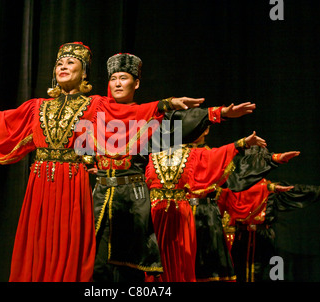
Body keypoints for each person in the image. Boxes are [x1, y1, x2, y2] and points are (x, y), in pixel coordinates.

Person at [0, 42, 204, 282]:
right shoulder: (37, 106)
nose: (63, 66)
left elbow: (128, 114)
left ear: (83, 73)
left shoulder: (95, 105)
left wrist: (165, 104)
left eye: (71, 62)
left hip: (72, 181)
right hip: (40, 182)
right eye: (59, 62)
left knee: (70, 245)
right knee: (37, 242)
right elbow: (4, 120)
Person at [92, 53, 258, 282]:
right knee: (97, 267)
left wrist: (220, 113)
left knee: (130, 268)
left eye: (123, 77)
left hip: (132, 200)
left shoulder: (150, 119)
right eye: (113, 78)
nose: (117, 83)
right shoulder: (97, 112)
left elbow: (178, 125)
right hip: (100, 199)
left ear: (136, 83)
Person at [145, 124, 268, 282]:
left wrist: (244, 145)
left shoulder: (200, 155)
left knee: (194, 263)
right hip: (160, 215)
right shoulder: (152, 156)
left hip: (200, 215)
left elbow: (234, 176)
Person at [191, 127, 300, 282]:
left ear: (207, 130)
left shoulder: (213, 155)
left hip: (208, 218)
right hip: (180, 214)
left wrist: (273, 161)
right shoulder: (173, 154)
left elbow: (238, 181)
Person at [218, 178, 320, 282]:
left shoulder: (270, 188)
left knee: (260, 272)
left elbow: (297, 190)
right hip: (241, 237)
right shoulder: (233, 187)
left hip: (262, 238)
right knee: (239, 273)